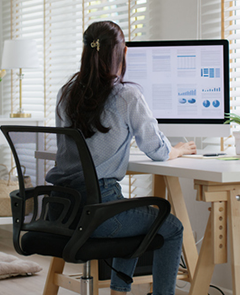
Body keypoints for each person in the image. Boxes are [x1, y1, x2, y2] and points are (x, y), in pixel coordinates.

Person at [45, 20, 197, 295]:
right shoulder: (127, 95)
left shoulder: (65, 93)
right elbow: (158, 150)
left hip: (62, 211)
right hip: (99, 213)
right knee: (172, 228)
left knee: (132, 214)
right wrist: (178, 149)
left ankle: (119, 291)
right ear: (122, 52)